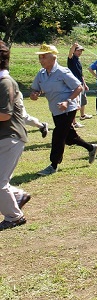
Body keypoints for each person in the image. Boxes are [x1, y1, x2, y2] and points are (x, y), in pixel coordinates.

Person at [30, 44, 97, 175]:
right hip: (55, 109)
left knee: (58, 135)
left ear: (53, 57)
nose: (41, 60)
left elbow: (79, 87)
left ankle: (53, 165)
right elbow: (35, 89)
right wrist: (34, 94)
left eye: (44, 57)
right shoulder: (41, 73)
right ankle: (91, 148)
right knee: (69, 137)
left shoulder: (63, 71)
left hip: (68, 108)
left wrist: (67, 101)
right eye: (40, 57)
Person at [0, 40, 31, 230]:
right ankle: (17, 196)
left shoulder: (5, 82)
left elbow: (5, 114)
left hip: (10, 137)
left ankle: (14, 217)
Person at [67, 42, 92, 127]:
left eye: (81, 51)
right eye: (78, 51)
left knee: (82, 101)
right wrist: (73, 46)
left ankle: (82, 116)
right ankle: (73, 122)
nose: (80, 52)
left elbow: (80, 74)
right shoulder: (71, 58)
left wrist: (84, 84)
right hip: (74, 85)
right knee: (75, 104)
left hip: (80, 84)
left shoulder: (78, 60)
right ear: (74, 51)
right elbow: (70, 53)